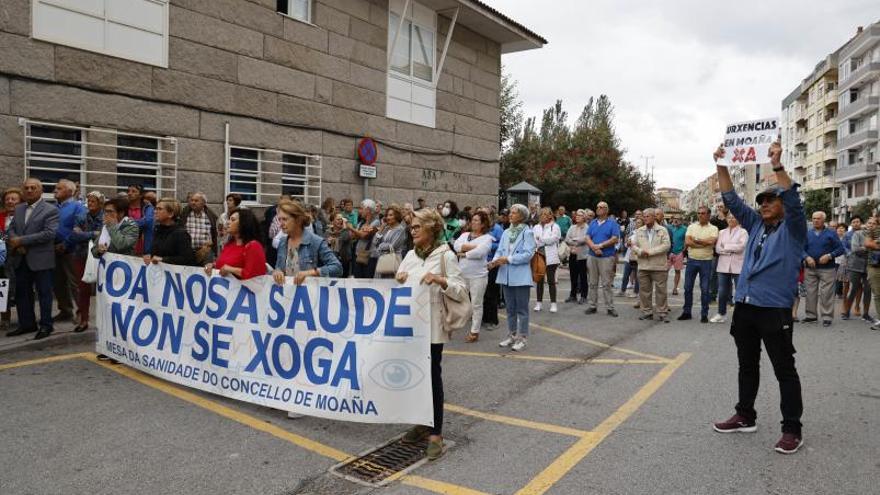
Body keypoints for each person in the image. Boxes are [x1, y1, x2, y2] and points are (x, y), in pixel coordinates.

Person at [712, 141, 806, 455]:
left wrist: (778, 166)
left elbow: (793, 201)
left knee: (784, 369)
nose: (764, 204)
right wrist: (721, 165)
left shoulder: (793, 230)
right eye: (762, 200)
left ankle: (792, 429)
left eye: (771, 200)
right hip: (746, 306)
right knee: (746, 364)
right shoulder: (754, 226)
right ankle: (745, 415)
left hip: (774, 309)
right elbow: (730, 199)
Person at [396, 208, 468, 461]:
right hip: (408, 326)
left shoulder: (445, 255)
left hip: (432, 328)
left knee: (431, 377)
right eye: (411, 227)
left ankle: (435, 432)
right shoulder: (409, 255)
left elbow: (460, 290)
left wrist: (440, 280)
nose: (412, 230)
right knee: (413, 377)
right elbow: (398, 284)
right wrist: (400, 278)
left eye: (417, 227)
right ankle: (420, 423)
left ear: (432, 228)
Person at [6, 179, 59, 339]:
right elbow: (12, 229)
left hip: (41, 260)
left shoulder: (50, 210)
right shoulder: (19, 208)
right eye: (26, 188)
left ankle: (46, 326)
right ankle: (27, 324)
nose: (29, 190)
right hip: (21, 258)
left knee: (44, 294)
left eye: (33, 188)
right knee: (22, 293)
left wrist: (21, 241)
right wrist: (15, 240)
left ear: (40, 191)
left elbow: (49, 234)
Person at [489, 203, 536, 351]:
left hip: (520, 276)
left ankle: (522, 338)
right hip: (506, 275)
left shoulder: (527, 232)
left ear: (522, 216)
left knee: (522, 309)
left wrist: (508, 259)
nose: (510, 214)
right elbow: (500, 250)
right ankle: (511, 335)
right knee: (510, 309)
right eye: (511, 212)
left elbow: (528, 254)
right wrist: (494, 261)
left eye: (514, 213)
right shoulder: (506, 232)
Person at [272, 200, 342, 285]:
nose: (281, 224)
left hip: (310, 296)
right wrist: (277, 272)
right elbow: (279, 267)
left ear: (298, 220)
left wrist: (312, 272)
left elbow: (337, 267)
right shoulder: (282, 242)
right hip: (287, 295)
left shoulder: (316, 241)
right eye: (279, 220)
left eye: (285, 219)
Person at [453, 211, 494, 342]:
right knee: (459, 300)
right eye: (473, 220)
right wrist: (471, 247)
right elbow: (456, 245)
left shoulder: (487, 238)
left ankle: (474, 331)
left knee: (476, 304)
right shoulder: (465, 234)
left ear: (483, 224)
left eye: (477, 220)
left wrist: (465, 253)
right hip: (462, 273)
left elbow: (481, 252)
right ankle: (457, 323)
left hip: (478, 276)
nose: (473, 222)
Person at [69, 191, 105, 332]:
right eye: (88, 201)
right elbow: (74, 236)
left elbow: (103, 236)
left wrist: (84, 234)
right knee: (82, 289)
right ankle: (84, 319)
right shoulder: (81, 216)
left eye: (93, 201)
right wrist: (92, 234)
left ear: (100, 203)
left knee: (103, 289)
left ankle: (105, 321)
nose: (90, 204)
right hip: (81, 255)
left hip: (100, 256)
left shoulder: (104, 217)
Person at [52, 179, 86, 323]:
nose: (55, 190)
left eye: (58, 188)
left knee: (75, 283)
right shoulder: (54, 207)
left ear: (69, 191)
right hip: (54, 250)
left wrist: (65, 244)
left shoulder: (78, 207)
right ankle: (65, 310)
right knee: (58, 283)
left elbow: (78, 229)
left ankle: (82, 312)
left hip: (72, 250)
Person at [802, 211, 844, 327]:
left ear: (823, 220)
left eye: (818, 218)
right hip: (810, 268)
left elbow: (841, 249)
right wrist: (806, 257)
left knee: (826, 294)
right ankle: (811, 316)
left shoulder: (831, 233)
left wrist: (830, 255)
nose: (815, 220)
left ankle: (827, 317)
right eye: (814, 218)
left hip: (827, 268)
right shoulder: (807, 233)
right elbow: (800, 249)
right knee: (810, 293)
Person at [679, 206, 718, 323]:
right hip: (691, 260)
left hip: (706, 261)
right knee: (687, 288)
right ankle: (687, 312)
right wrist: (703, 243)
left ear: (708, 215)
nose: (700, 215)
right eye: (699, 213)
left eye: (703, 213)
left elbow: (712, 242)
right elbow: (687, 242)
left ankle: (704, 314)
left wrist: (696, 240)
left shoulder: (714, 228)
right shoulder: (691, 227)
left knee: (705, 289)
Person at [630, 209, 671, 322]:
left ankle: (662, 312)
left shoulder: (662, 230)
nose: (645, 218)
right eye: (644, 216)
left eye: (648, 216)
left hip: (659, 265)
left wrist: (650, 252)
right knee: (644, 291)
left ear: (654, 217)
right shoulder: (639, 231)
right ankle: (647, 312)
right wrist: (639, 251)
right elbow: (633, 245)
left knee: (661, 291)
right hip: (643, 266)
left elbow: (666, 245)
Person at [206, 209, 266, 280]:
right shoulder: (229, 244)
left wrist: (231, 269)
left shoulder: (253, 246)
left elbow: (256, 275)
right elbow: (225, 265)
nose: (228, 222)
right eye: (229, 219)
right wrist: (213, 265)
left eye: (233, 220)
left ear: (243, 223)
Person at [709, 213, 748, 324]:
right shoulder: (721, 232)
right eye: (729, 217)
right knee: (722, 292)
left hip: (738, 265)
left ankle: (741, 316)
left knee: (740, 292)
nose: (731, 219)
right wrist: (731, 248)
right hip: (723, 265)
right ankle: (721, 314)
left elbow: (741, 247)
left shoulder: (743, 232)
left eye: (733, 217)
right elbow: (717, 249)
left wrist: (725, 247)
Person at [584, 201, 621, 317]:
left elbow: (615, 239)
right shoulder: (593, 223)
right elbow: (587, 237)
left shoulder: (612, 223)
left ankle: (610, 307)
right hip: (592, 256)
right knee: (592, 282)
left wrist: (600, 246)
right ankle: (592, 306)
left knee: (606, 283)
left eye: (601, 207)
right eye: (597, 207)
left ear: (606, 210)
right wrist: (594, 247)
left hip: (606, 257)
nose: (598, 208)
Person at [145, 198, 197, 267]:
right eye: (155, 208)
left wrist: (163, 259)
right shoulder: (157, 229)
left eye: (159, 209)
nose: (155, 211)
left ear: (171, 214)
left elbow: (187, 259)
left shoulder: (181, 234)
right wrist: (149, 256)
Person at [0, 188, 22, 331]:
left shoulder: (25, 217)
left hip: (20, 257)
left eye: (13, 199)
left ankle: (24, 319)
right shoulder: (1, 216)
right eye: (7, 199)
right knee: (3, 287)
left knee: (21, 288)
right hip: (2, 259)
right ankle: (5, 319)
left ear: (20, 202)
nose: (10, 201)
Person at [844, 216, 873, 323]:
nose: (871, 225)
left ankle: (866, 314)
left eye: (873, 224)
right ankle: (847, 311)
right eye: (869, 223)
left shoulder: (877, 235)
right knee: (853, 289)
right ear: (865, 224)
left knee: (868, 290)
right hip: (855, 265)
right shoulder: (858, 234)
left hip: (870, 266)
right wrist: (871, 247)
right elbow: (855, 249)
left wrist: (867, 247)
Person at [533, 207, 561, 313]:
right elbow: (535, 240)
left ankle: (553, 304)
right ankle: (539, 303)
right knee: (539, 280)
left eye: (544, 215)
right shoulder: (536, 227)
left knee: (551, 281)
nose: (542, 217)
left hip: (551, 257)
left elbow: (553, 239)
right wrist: (542, 240)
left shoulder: (555, 226)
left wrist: (541, 239)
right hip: (539, 255)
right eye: (540, 215)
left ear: (550, 216)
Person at [482, 209, 506, 328]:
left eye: (485, 214)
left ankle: (492, 320)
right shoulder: (481, 229)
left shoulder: (497, 229)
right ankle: (484, 318)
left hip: (492, 263)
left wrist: (487, 244)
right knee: (483, 293)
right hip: (481, 264)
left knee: (491, 293)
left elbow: (502, 245)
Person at [180, 192, 218, 266]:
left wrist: (215, 252)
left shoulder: (210, 215)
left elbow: (214, 234)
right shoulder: (184, 213)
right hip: (188, 251)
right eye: (192, 200)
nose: (193, 202)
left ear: (204, 202)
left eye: (196, 201)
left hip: (206, 251)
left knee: (206, 272)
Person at [370, 205, 407, 279]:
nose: (388, 217)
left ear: (396, 216)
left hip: (392, 261)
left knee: (389, 285)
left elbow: (392, 246)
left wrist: (380, 246)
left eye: (391, 215)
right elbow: (374, 242)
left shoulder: (400, 229)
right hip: (382, 260)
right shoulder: (386, 228)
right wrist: (382, 227)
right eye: (387, 215)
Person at [349, 199, 380, 278]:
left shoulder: (376, 222)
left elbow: (364, 235)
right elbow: (353, 237)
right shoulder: (361, 222)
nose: (359, 211)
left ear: (368, 210)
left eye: (361, 208)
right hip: (358, 255)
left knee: (367, 281)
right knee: (357, 279)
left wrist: (351, 228)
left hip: (370, 257)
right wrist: (355, 231)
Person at [564, 209, 589, 304]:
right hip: (573, 254)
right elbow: (567, 239)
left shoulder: (587, 228)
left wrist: (574, 240)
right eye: (577, 215)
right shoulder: (572, 227)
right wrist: (575, 241)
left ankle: (583, 296)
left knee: (583, 276)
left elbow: (585, 239)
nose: (577, 216)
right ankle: (573, 295)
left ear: (584, 217)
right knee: (573, 276)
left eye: (580, 215)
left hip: (582, 255)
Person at [126, 184, 154, 255]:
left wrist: (129, 222)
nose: (130, 193)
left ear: (141, 195)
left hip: (142, 245)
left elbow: (148, 221)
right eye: (128, 191)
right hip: (126, 245)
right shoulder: (124, 206)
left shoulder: (147, 207)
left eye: (133, 191)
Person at [619, 217, 642, 298]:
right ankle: (622, 291)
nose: (637, 224)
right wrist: (627, 243)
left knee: (637, 276)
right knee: (625, 275)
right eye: (636, 222)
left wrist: (633, 245)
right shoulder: (632, 232)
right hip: (629, 257)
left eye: (639, 222)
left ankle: (636, 292)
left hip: (638, 258)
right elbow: (626, 244)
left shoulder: (643, 233)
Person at [324, 213, 352, 278]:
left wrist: (345, 226)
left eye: (341, 219)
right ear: (332, 221)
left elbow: (345, 238)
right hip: (331, 261)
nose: (340, 221)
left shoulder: (345, 231)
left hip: (343, 260)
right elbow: (324, 246)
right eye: (338, 219)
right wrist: (328, 242)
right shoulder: (328, 232)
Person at [667, 217, 687, 295]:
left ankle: (675, 288)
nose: (676, 220)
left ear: (682, 220)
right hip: (669, 252)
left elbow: (686, 240)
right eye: (675, 219)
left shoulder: (685, 229)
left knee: (677, 271)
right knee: (664, 271)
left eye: (678, 219)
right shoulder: (669, 228)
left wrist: (683, 251)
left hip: (679, 252)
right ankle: (663, 287)